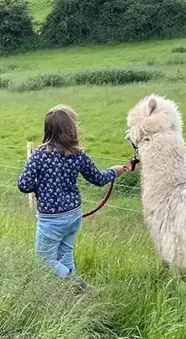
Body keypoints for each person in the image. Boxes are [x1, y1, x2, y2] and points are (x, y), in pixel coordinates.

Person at [17, 105, 127, 290]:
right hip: (73, 215)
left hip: (51, 220)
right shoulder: (78, 155)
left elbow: (23, 185)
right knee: (64, 255)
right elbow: (99, 179)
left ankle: (78, 286)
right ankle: (73, 296)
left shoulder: (39, 156)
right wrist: (115, 171)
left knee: (43, 260)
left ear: (47, 129)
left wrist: (39, 187)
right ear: (71, 129)